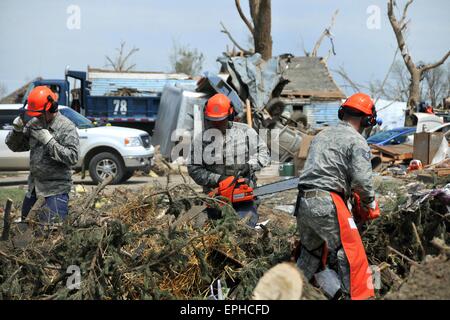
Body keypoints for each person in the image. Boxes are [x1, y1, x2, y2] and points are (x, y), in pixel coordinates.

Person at [295, 92, 381, 300]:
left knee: (310, 253)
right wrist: (370, 203)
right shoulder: (357, 141)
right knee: (348, 252)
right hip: (326, 202)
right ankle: (350, 296)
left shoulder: (321, 135)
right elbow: (362, 179)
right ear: (368, 120)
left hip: (303, 201)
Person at [187, 93, 270, 226]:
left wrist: (249, 165)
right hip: (214, 199)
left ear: (230, 115)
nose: (216, 124)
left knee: (243, 229)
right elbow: (194, 168)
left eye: (220, 120)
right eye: (212, 120)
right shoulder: (200, 140)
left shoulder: (246, 132)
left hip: (243, 198)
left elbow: (264, 153)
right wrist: (218, 179)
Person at [5, 86, 80, 223]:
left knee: (50, 234)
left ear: (51, 108)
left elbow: (73, 157)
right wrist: (16, 131)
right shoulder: (34, 123)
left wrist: (49, 141)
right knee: (25, 230)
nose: (37, 117)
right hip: (34, 188)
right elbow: (15, 146)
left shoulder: (66, 127)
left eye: (39, 113)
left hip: (55, 191)